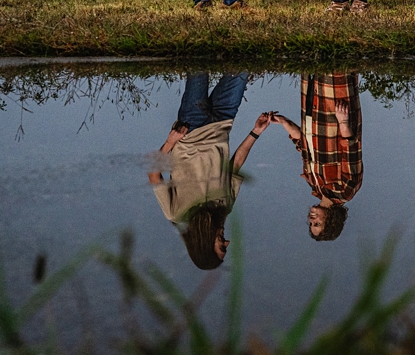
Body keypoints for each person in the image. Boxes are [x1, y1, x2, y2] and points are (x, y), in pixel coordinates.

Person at [148, 71, 271, 269]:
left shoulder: (177, 215)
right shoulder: (225, 208)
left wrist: (170, 141)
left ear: (205, 245)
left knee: (198, 70)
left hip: (191, 127)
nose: (227, 242)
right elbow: (236, 165)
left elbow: (153, 175)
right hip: (224, 122)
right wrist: (256, 132)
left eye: (222, 247)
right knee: (241, 70)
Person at [268, 73, 364, 241]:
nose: (311, 220)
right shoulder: (345, 192)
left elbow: (303, 145)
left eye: (311, 224)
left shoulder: (314, 185)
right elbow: (351, 150)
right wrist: (343, 122)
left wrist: (284, 122)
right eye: (317, 224)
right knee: (336, 71)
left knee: (312, 71)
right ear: (332, 221)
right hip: (334, 116)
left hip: (312, 113)